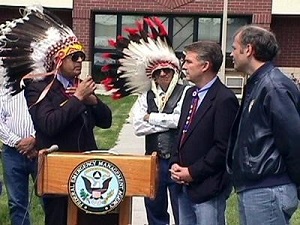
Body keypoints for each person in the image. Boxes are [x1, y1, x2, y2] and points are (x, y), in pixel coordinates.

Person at [0, 6, 112, 225]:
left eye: (82, 57)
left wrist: (94, 101)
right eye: (74, 57)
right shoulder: (37, 88)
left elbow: (106, 122)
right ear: (58, 61)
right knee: (58, 219)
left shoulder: (82, 87)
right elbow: (49, 125)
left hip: (86, 170)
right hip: (57, 171)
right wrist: (78, 99)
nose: (80, 61)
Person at [102, 17, 189, 225]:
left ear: (175, 71)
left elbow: (181, 121)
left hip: (179, 160)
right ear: (153, 76)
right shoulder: (145, 97)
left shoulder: (186, 92)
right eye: (158, 72)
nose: (163, 74)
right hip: (153, 160)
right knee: (154, 207)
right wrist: (165, 120)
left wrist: (154, 118)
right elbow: (138, 126)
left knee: (182, 209)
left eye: (167, 70)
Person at [226, 25, 300, 225]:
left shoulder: (273, 86)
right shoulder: (258, 83)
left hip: (268, 190)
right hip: (256, 189)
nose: (231, 53)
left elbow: (293, 141)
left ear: (248, 50)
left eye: (234, 47)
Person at [169, 41, 239, 225]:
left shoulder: (224, 99)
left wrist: (192, 172)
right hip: (183, 186)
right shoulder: (190, 94)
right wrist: (176, 163)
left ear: (205, 65)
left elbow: (222, 148)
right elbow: (182, 134)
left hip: (208, 188)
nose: (183, 66)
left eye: (189, 62)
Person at [0, 89, 38, 225]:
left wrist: (35, 139)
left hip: (40, 150)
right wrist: (18, 143)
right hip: (11, 153)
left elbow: (48, 116)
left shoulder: (42, 87)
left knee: (50, 199)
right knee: (16, 202)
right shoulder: (4, 90)